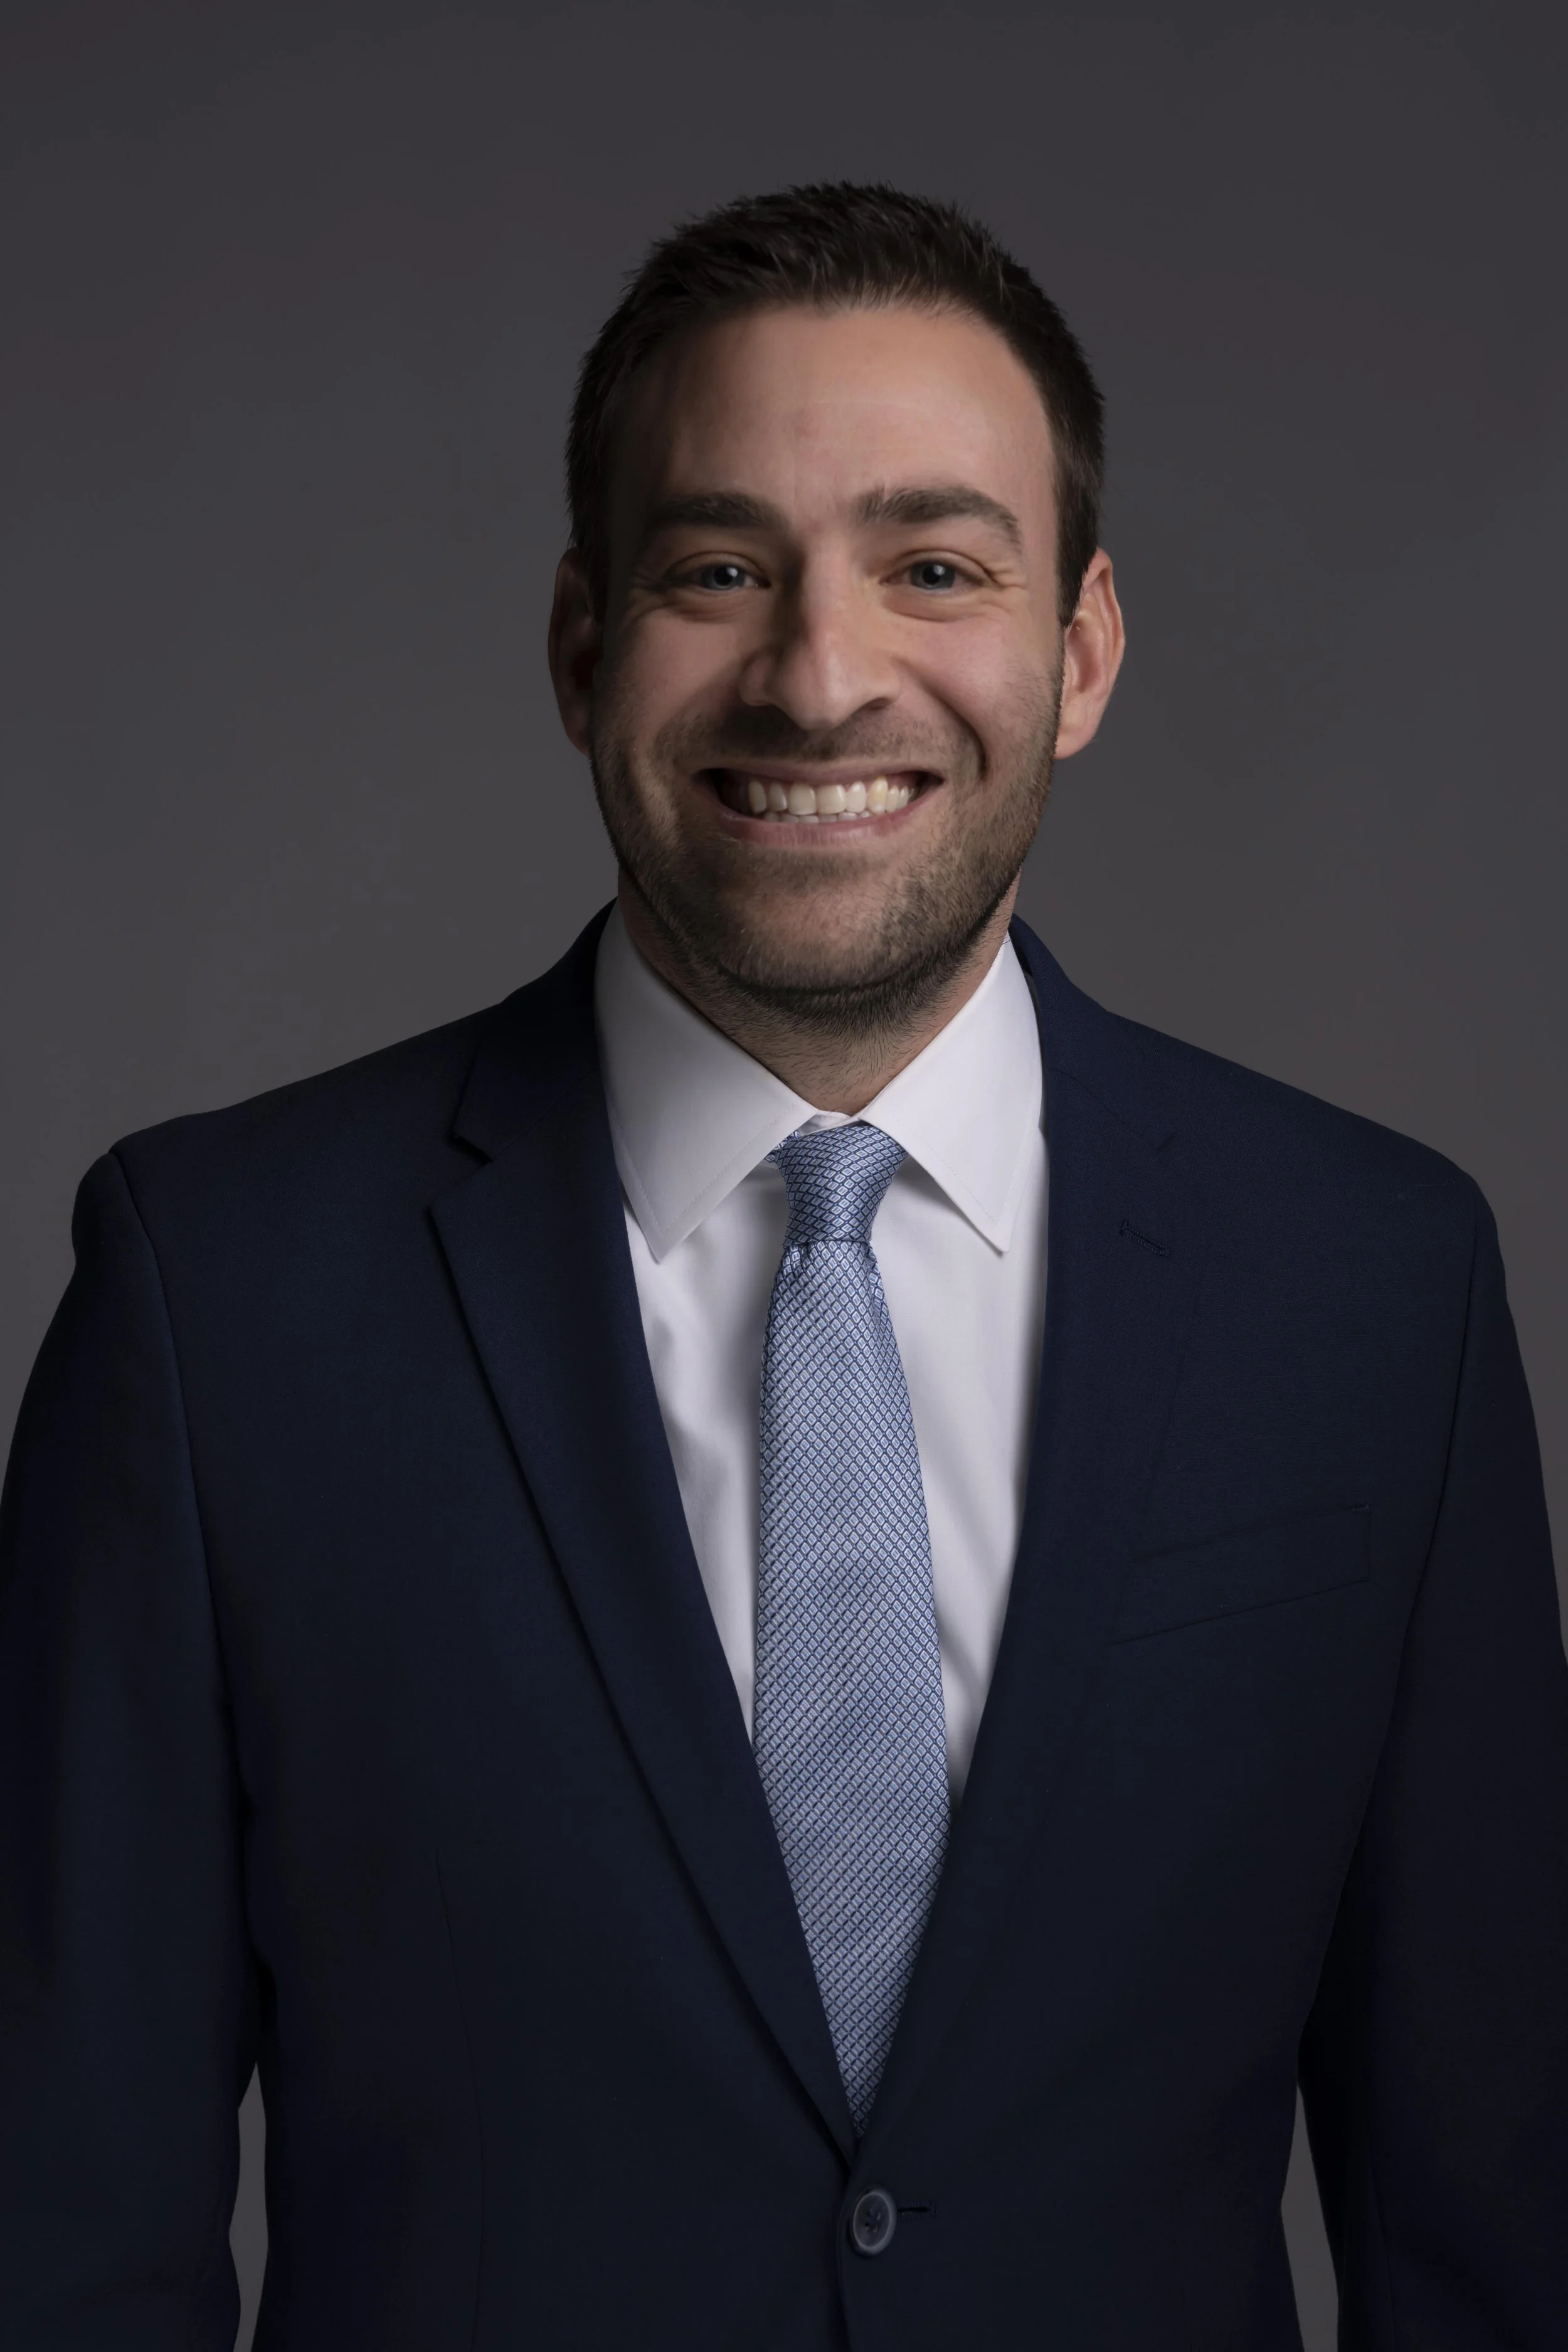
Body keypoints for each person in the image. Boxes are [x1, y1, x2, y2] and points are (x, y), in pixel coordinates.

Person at [1, 180, 1564, 2352]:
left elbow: (1494, 2232)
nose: (822, 676)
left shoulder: (1376, 1292)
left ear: (1080, 650)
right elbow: (61, 2235)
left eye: (934, 565)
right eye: (719, 567)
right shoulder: (217, 1298)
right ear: (578, 646)